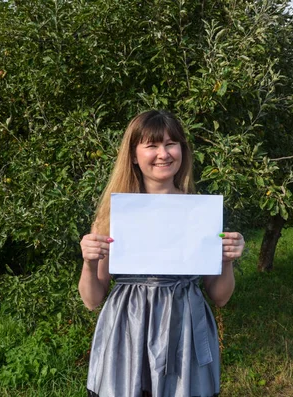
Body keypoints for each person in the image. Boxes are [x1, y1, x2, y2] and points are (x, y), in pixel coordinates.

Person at [79, 110, 245, 397]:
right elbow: (92, 299)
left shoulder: (200, 212)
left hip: (185, 329)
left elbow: (220, 297)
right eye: (152, 145)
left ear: (182, 149)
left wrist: (226, 260)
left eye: (171, 143)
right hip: (127, 329)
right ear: (133, 155)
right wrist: (88, 261)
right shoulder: (112, 217)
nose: (163, 154)